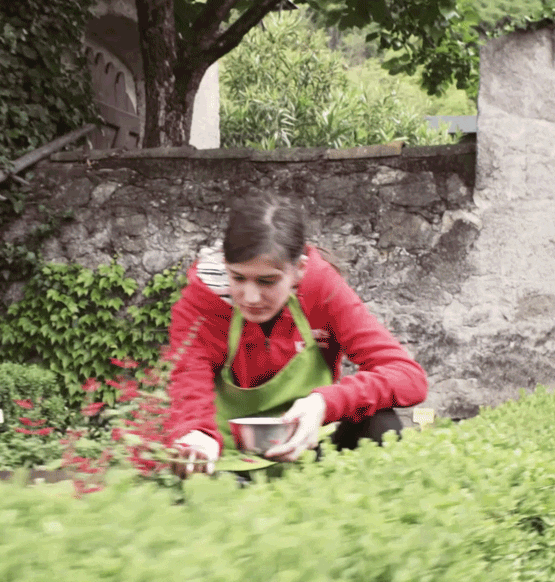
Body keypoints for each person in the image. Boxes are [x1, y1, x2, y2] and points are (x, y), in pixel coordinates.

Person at [165, 193, 428, 477]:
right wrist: (196, 434)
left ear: (299, 269)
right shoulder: (202, 300)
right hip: (229, 461)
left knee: (380, 423)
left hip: (310, 454)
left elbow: (407, 375)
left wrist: (324, 402)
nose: (251, 297)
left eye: (268, 281)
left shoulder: (320, 287)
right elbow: (188, 383)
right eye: (238, 278)